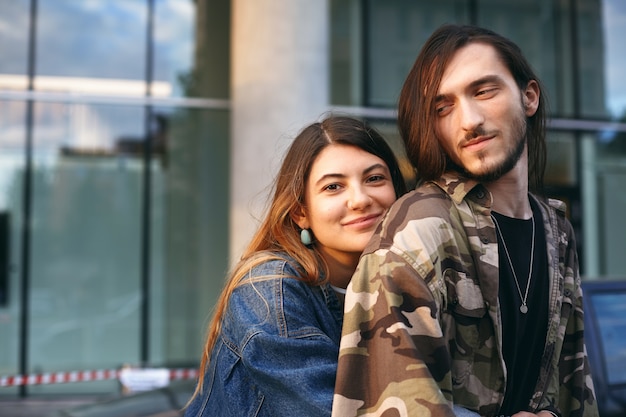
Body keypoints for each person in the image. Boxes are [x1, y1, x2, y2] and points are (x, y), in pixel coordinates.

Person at [332, 24, 599, 417]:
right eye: (444, 107)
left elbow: (575, 388)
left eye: (484, 91)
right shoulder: (419, 229)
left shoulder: (555, 229)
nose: (468, 120)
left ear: (529, 97)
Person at [184, 115, 407, 417]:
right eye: (333, 187)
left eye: (374, 178)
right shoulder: (269, 291)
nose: (360, 199)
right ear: (301, 213)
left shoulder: (396, 279)